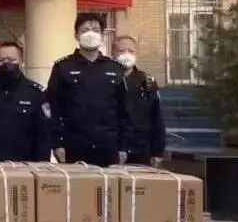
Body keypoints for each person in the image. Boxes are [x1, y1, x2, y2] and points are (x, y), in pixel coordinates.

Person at [46, 14, 133, 167]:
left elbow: (124, 111)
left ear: (102, 35)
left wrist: (123, 146)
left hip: (108, 145)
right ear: (76, 35)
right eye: (85, 30)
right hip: (73, 145)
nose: (90, 34)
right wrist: (57, 143)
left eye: (95, 30)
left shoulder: (115, 68)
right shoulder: (63, 67)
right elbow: (52, 108)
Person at [0, 42, 52, 162]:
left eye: (11, 59)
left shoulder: (35, 93)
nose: (6, 63)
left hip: (26, 162)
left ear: (21, 60)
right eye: (2, 60)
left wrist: (43, 162)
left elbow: (43, 133)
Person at [113, 35, 167, 167]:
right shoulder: (107, 79)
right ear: (113, 53)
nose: (127, 54)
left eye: (131, 51)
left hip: (141, 150)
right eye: (122, 51)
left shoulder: (147, 82)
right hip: (113, 149)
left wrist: (157, 151)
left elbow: (157, 118)